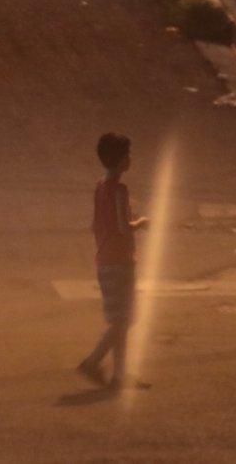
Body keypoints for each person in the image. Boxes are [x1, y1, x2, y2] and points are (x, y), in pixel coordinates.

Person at [77, 133, 148, 390]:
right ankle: (93, 361)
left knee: (121, 318)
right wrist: (141, 222)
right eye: (127, 155)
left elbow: (97, 223)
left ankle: (120, 375)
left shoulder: (100, 186)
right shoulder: (119, 190)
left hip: (105, 259)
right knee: (125, 320)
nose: (130, 159)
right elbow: (123, 226)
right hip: (120, 261)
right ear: (120, 161)